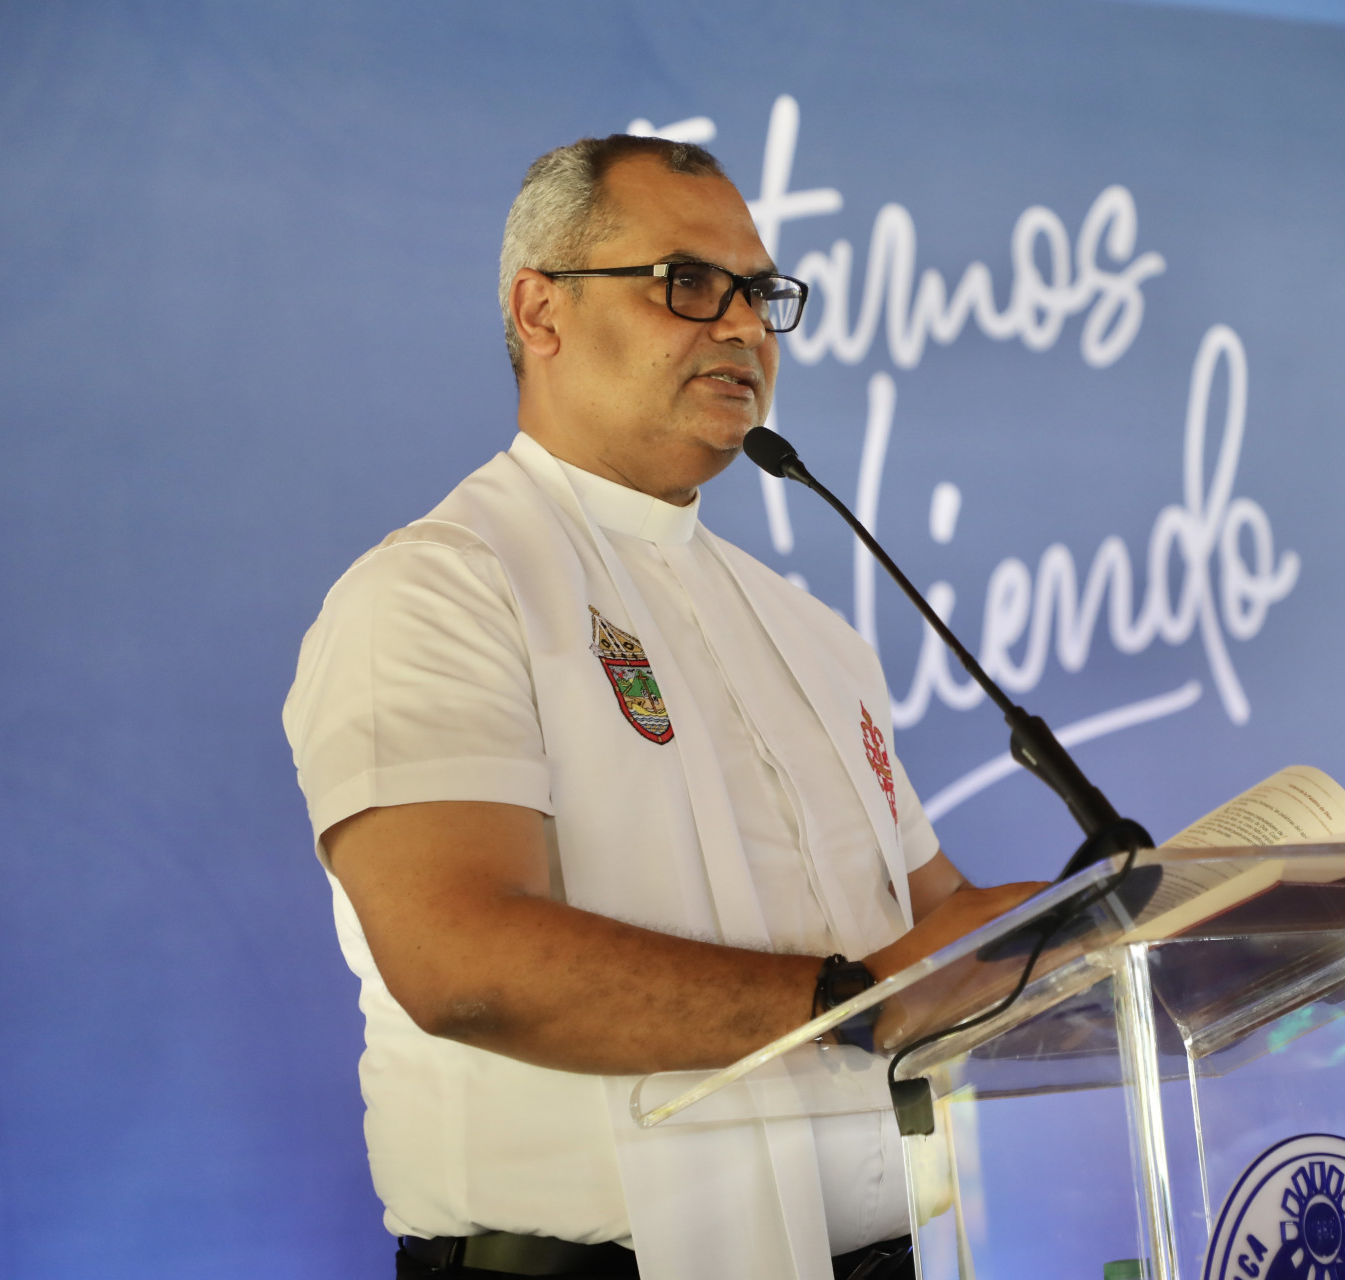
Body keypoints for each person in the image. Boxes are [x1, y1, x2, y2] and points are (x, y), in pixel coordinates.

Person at [282, 134, 1044, 1279]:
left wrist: (1119, 928)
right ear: (540, 310)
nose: (743, 327)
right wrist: (855, 1000)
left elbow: (940, 937)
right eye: (688, 283)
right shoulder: (440, 589)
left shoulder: (814, 636)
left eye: (761, 294)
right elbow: (459, 958)